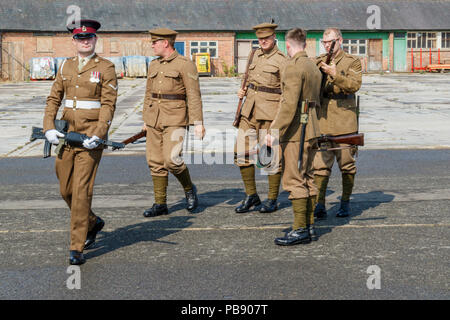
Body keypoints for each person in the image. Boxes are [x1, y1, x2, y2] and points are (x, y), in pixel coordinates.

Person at [43, 19, 118, 265]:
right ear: (73, 41)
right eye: (80, 38)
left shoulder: (106, 67)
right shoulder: (65, 66)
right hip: (66, 136)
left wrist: (99, 133)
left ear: (95, 40)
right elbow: (53, 99)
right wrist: (48, 128)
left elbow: (108, 104)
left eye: (89, 38)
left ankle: (77, 247)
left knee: (81, 192)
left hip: (89, 138)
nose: (85, 41)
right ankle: (93, 222)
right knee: (65, 189)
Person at [265, 28, 322, 245]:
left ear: (287, 46)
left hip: (297, 131)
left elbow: (289, 105)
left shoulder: (294, 67)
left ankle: (300, 230)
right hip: (313, 127)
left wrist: (274, 132)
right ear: (304, 44)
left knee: (294, 179)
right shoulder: (313, 66)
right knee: (307, 178)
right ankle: (308, 225)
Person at [142, 28, 205, 217]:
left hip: (176, 118)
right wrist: (145, 119)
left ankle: (188, 188)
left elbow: (194, 95)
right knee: (155, 161)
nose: (152, 45)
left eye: (155, 42)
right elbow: (148, 94)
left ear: (165, 43)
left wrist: (198, 122)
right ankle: (160, 203)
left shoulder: (185, 64)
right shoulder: (153, 65)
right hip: (154, 118)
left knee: (172, 160)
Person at [234, 22, 287, 214]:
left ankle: (272, 198)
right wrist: (242, 89)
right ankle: (252, 195)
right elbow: (247, 77)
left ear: (274, 38)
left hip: (270, 114)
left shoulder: (282, 60)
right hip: (249, 110)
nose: (262, 41)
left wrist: (278, 120)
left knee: (270, 157)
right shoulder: (253, 54)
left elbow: (286, 93)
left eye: (266, 38)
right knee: (241, 152)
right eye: (260, 39)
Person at [313, 28, 362, 219]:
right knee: (320, 166)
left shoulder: (352, 61)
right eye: (324, 42)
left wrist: (335, 74)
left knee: (347, 165)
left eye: (330, 41)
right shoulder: (318, 60)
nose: (327, 45)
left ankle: (345, 203)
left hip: (344, 121)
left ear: (340, 40)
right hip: (323, 120)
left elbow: (354, 85)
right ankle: (320, 204)